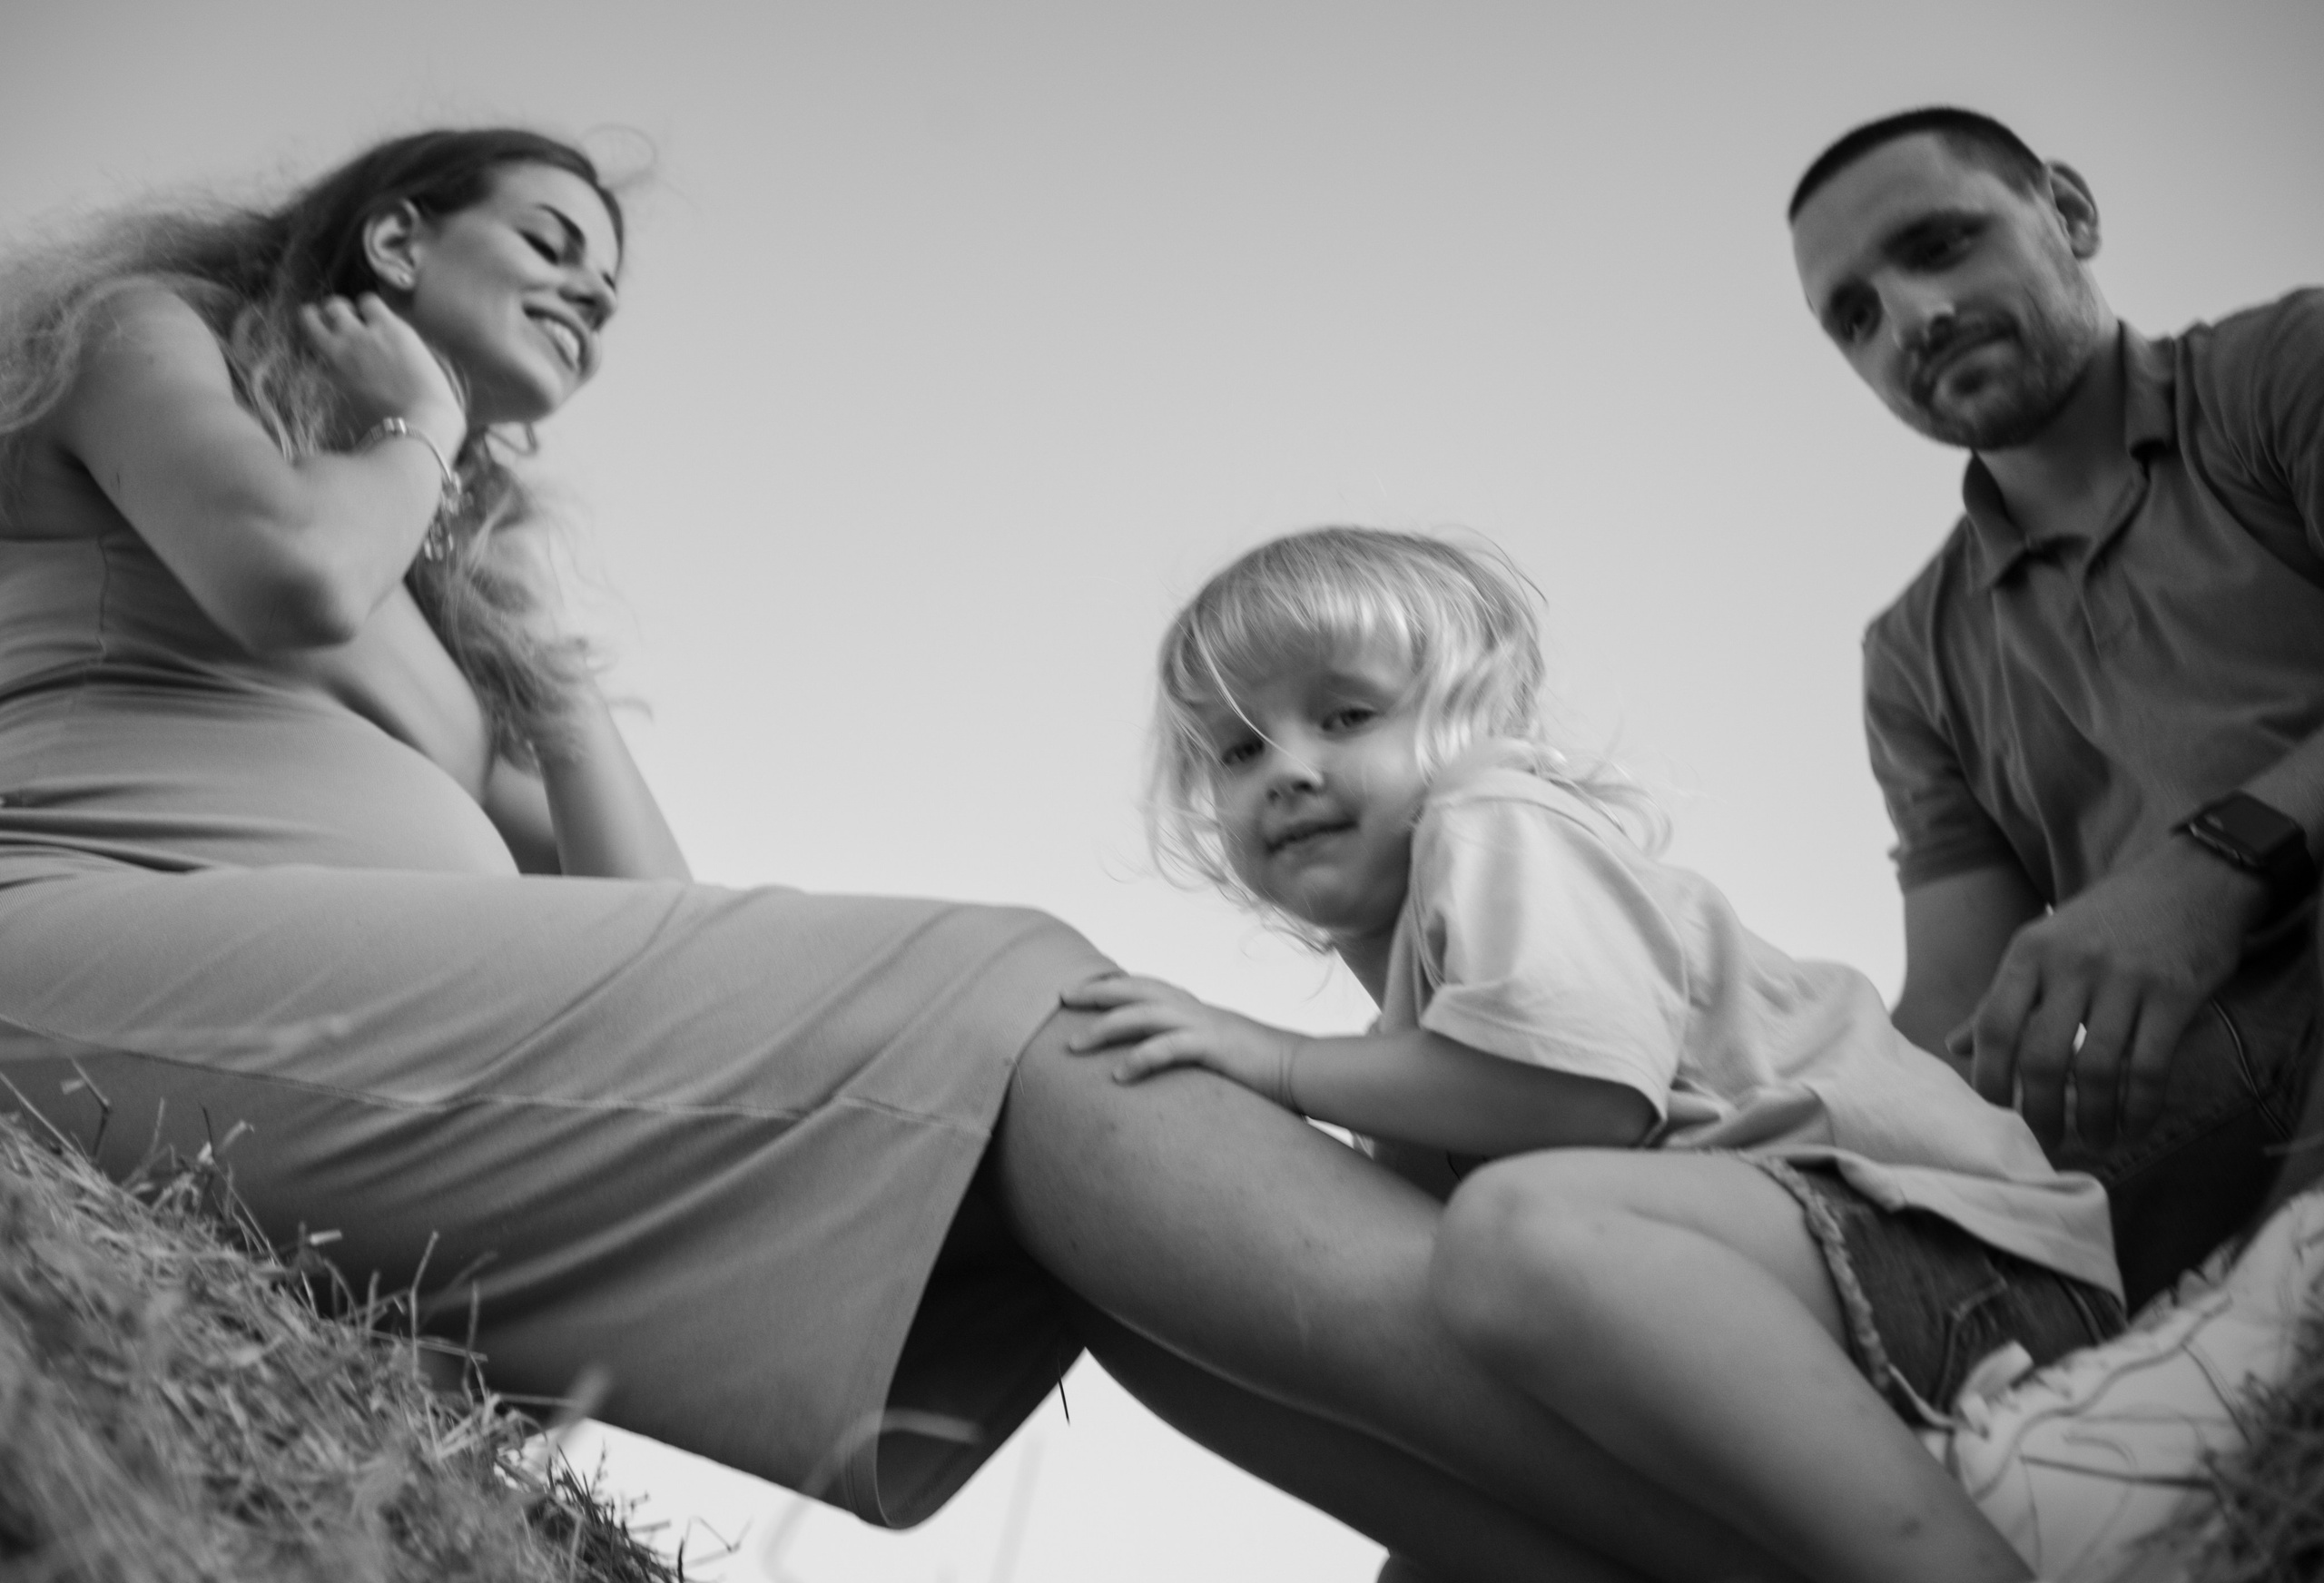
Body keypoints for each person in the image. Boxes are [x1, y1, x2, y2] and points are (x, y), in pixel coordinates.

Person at [0, 125, 1905, 1583]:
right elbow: (277, 571)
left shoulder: (432, 575)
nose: (589, 297)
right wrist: (413, 423)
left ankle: (1723, 1539)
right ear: (399, 238)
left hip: (296, 1020)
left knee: (1037, 1210)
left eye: (611, 286)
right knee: (1009, 1004)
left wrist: (544, 681)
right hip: (71, 952)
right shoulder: (144, 338)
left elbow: (646, 943)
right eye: (554, 245)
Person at [1068, 525, 2125, 1583]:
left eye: (1346, 716)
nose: (1288, 771)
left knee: (1512, 1230)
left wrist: (1271, 1059)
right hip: (1802, 1289)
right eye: (1239, 749)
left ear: (1468, 721)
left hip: (1954, 1257)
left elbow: (1574, 1097)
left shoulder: (1494, 816)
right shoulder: (1404, 1062)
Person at [1786, 106, 2324, 1305]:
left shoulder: (2280, 374)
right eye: (1856, 318)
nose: (1912, 321)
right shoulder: (1914, 653)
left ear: (2069, 214)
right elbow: (1957, 1003)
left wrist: (2212, 869)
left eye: (1940, 246)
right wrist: (1820, 1112)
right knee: (1781, 1251)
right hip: (2187, 1073)